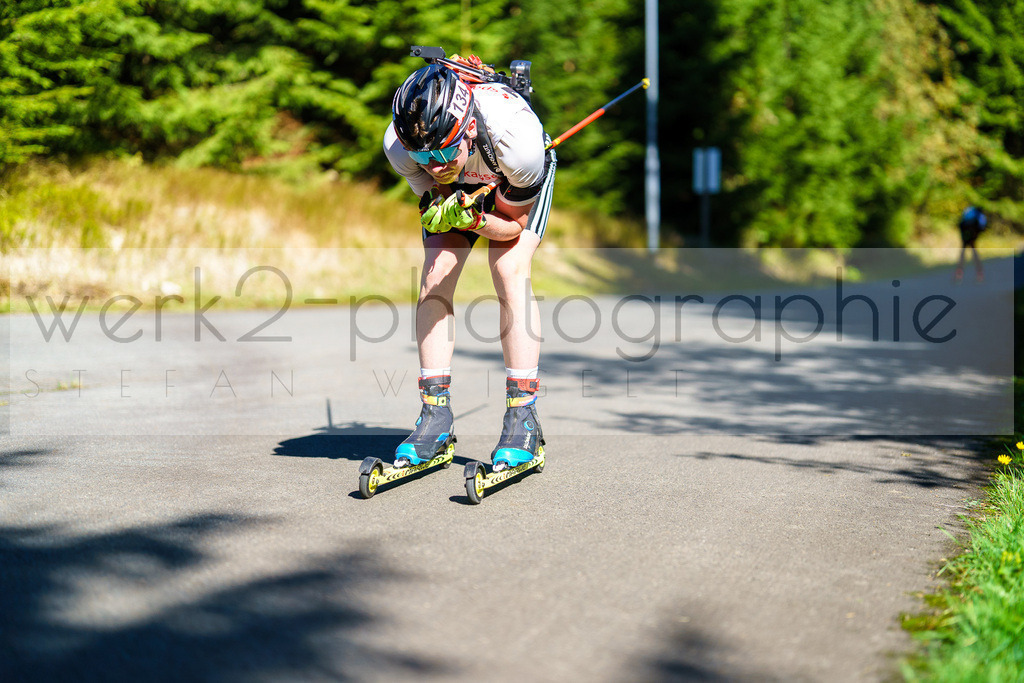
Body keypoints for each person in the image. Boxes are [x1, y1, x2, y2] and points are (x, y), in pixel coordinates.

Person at [383, 61, 555, 472]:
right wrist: (450, 200)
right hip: (471, 176)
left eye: (442, 151)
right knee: (435, 276)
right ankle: (434, 415)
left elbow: (510, 226)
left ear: (469, 129)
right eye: (422, 156)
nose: (433, 163)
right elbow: (437, 183)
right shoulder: (400, 146)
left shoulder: (518, 141)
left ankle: (522, 416)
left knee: (508, 269)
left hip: (508, 175)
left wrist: (475, 217)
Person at [955, 205, 987, 283]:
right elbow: (982, 227)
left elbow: (961, 223)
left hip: (965, 235)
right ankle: (979, 274)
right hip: (972, 236)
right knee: (974, 254)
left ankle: (959, 274)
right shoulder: (978, 214)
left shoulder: (968, 211)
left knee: (963, 254)